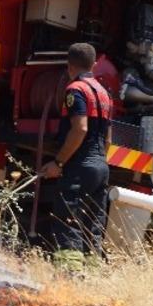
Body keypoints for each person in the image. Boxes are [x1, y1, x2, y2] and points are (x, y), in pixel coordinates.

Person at [41, 42, 113, 269]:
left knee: (68, 221)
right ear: (94, 64)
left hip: (79, 166)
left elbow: (80, 129)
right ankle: (92, 274)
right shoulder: (104, 93)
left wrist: (58, 162)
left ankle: (69, 274)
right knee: (93, 225)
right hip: (101, 167)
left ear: (69, 65)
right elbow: (109, 139)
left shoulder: (75, 90)